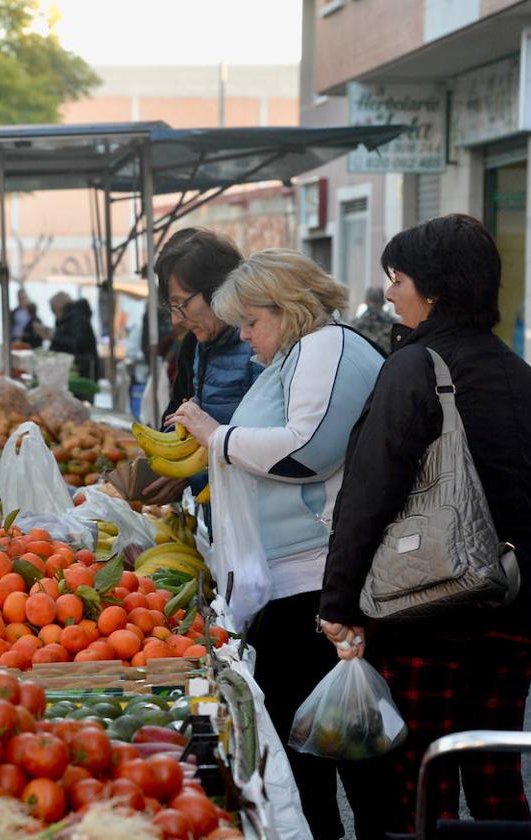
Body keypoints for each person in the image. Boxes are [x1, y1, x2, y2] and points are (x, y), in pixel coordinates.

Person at [318, 215, 531, 837]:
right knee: (495, 775)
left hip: (429, 607)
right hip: (515, 611)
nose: (389, 293)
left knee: (419, 783)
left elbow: (368, 493)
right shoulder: (522, 376)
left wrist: (338, 601)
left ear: (434, 288)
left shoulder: (417, 367)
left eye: (398, 278)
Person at [170, 249, 384, 840]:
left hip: (316, 582)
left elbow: (305, 449)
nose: (243, 335)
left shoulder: (327, 348)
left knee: (324, 739)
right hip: (295, 580)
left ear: (286, 308)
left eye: (250, 321)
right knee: (310, 738)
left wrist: (219, 436)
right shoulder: (301, 351)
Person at [144, 229, 262, 504]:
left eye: (181, 304)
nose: (176, 320)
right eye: (171, 307)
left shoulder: (259, 348)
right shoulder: (202, 343)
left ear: (217, 289)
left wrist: (192, 477)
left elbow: (265, 445)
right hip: (222, 512)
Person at [48, 291, 100, 381]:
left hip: (82, 370)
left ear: (59, 306)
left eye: (53, 309)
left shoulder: (77, 318)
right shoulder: (69, 318)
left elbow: (79, 343)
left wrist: (55, 338)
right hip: (76, 369)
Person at [351, 285, 396, 352]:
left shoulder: (393, 325)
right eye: (371, 302)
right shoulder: (356, 325)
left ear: (382, 303)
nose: (373, 305)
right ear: (366, 302)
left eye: (377, 302)